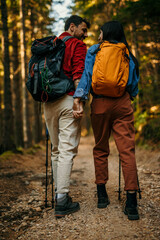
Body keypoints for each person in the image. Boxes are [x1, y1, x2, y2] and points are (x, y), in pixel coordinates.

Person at [73, 21, 140, 220]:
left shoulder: (94, 50)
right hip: (122, 104)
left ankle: (102, 195)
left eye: (100, 32)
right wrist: (129, 97)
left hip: (100, 104)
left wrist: (80, 99)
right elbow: (133, 82)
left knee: (101, 148)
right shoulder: (126, 51)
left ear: (105, 33)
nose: (99, 35)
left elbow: (86, 77)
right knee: (126, 150)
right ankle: (131, 202)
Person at [44, 15, 90, 218]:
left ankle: (58, 195)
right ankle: (62, 200)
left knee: (56, 149)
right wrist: (78, 101)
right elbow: (79, 73)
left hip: (47, 102)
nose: (85, 34)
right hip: (68, 99)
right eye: (83, 29)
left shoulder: (52, 43)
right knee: (67, 149)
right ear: (72, 27)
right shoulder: (77, 45)